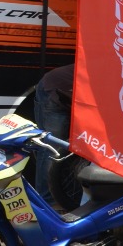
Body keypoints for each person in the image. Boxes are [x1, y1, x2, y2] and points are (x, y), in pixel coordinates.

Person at [32, 63, 75, 203]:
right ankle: (47, 201)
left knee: (55, 147)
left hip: (64, 93)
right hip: (53, 92)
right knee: (51, 148)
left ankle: (55, 197)